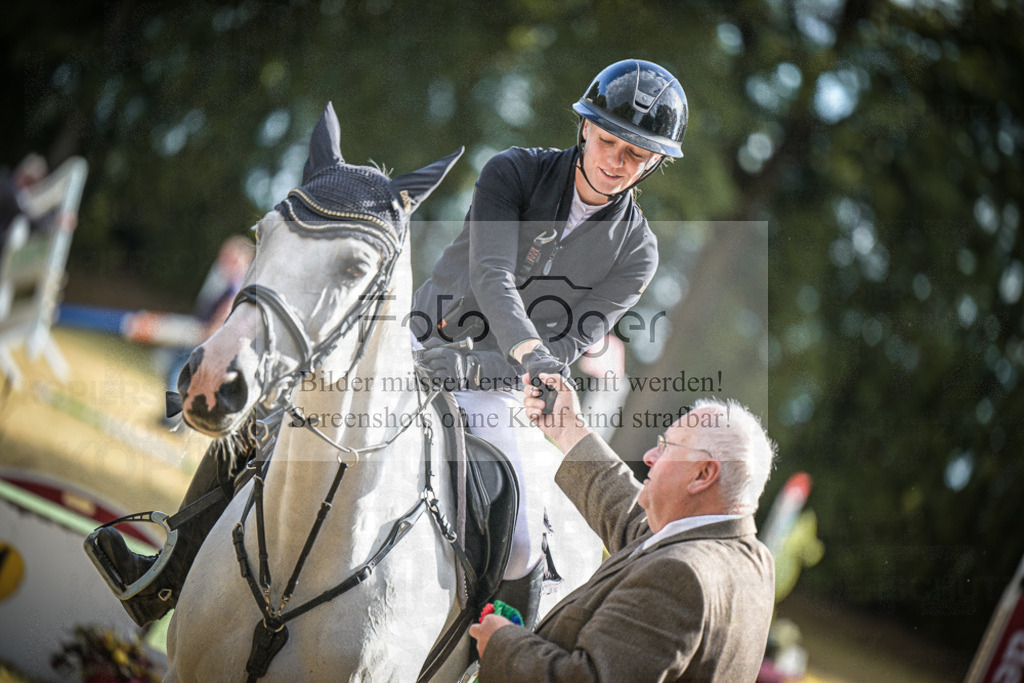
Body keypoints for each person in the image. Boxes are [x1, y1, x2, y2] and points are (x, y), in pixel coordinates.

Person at [412, 59, 688, 588]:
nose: (616, 161)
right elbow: (491, 274)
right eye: (608, 141)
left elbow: (566, 344)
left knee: (518, 544)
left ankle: (494, 652)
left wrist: (481, 371)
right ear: (585, 125)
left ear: (654, 162)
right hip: (424, 339)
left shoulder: (638, 252)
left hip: (496, 387)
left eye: (636, 154)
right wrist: (528, 356)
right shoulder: (512, 170)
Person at [467, 374, 777, 682]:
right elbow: (632, 519)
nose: (649, 456)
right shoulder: (747, 558)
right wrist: (568, 428)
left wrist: (502, 643)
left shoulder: (680, 574)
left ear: (703, 474)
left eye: (666, 447)